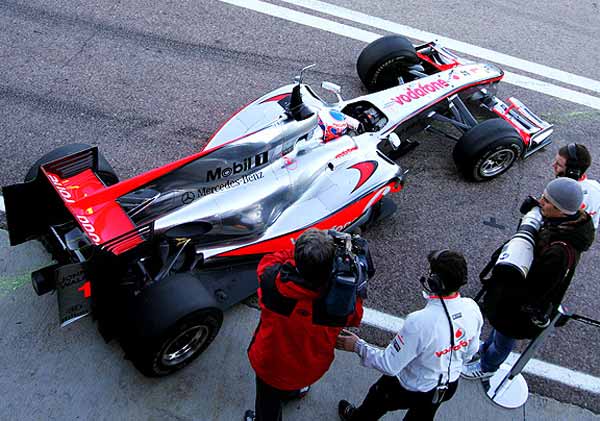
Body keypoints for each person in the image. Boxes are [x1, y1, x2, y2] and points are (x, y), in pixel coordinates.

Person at [462, 177, 595, 380]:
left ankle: (488, 367)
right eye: (543, 196)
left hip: (520, 308)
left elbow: (535, 289)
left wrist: (507, 280)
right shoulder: (564, 224)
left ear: (562, 211)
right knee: (499, 331)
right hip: (514, 299)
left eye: (547, 201)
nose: (541, 202)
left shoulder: (559, 253)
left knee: (505, 337)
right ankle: (486, 350)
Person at [336, 250, 483, 421]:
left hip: (407, 387)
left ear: (434, 282)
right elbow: (470, 352)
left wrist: (357, 345)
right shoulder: (472, 308)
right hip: (447, 386)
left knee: (373, 405)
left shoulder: (419, 322)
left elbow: (389, 365)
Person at [245, 228, 364, 421]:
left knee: (267, 405)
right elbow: (355, 316)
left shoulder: (272, 282)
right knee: (292, 381)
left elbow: (269, 261)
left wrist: (300, 250)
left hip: (270, 364)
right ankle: (293, 391)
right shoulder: (342, 304)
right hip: (310, 367)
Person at [552, 143, 600, 229]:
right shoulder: (596, 188)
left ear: (572, 172)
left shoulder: (559, 192)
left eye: (559, 165)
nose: (553, 165)